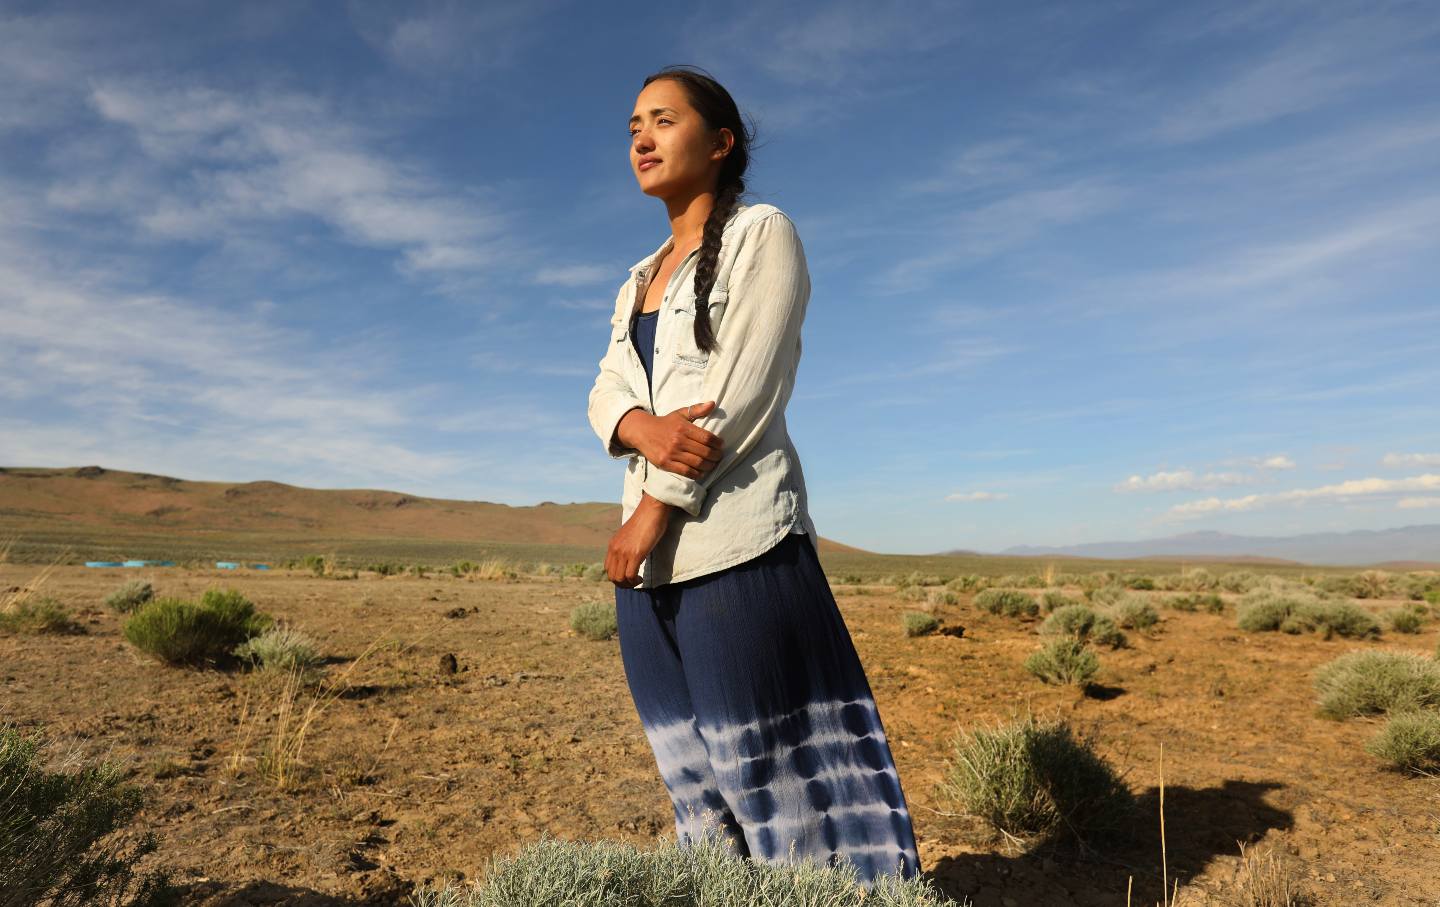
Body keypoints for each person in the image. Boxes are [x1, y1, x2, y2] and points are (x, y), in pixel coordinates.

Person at [585, 64, 921, 888]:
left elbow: (744, 386)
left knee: (772, 776)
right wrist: (640, 427)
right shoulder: (636, 280)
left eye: (662, 120)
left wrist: (654, 508)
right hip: (647, 570)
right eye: (633, 126)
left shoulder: (762, 233)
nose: (642, 138)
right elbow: (604, 390)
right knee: (693, 782)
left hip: (735, 547)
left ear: (722, 141)